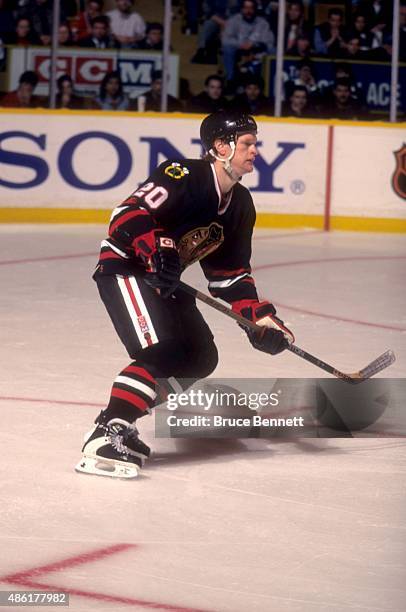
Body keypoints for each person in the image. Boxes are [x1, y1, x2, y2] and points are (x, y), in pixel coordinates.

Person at [75, 110, 295, 479]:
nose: (255, 150)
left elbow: (229, 275)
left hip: (167, 281)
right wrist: (156, 248)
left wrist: (258, 317)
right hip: (126, 269)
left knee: (199, 357)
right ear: (220, 147)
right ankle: (105, 432)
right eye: (247, 143)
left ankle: (122, 421)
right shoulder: (181, 174)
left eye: (254, 143)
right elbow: (126, 214)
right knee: (163, 353)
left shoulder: (240, 205)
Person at [222, 0, 274, 84]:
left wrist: (254, 44)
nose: (248, 11)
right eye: (246, 8)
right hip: (238, 50)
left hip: (257, 51)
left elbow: (269, 42)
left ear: (255, 9)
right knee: (227, 48)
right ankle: (230, 80)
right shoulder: (234, 21)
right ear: (241, 9)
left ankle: (270, 81)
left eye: (251, 8)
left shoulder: (263, 23)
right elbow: (226, 40)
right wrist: (241, 44)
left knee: (273, 50)